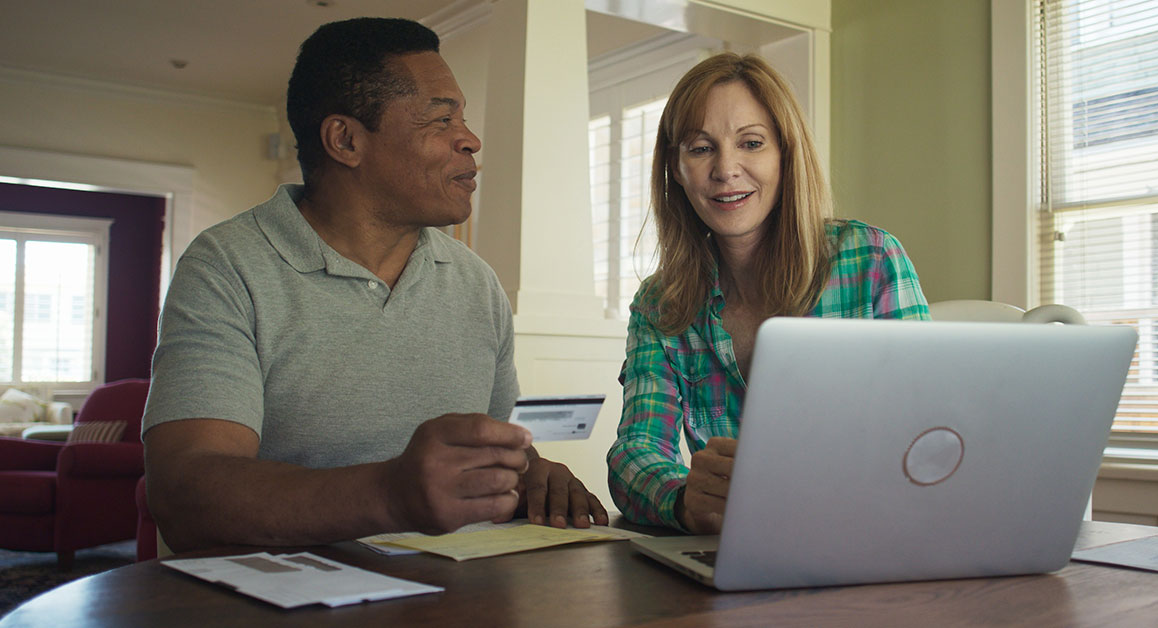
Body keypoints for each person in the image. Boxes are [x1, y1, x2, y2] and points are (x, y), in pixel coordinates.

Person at [143, 18, 606, 554]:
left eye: (464, 117)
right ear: (345, 140)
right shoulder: (226, 266)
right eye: (441, 119)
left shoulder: (475, 282)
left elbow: (485, 463)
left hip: (462, 594)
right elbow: (185, 496)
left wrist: (533, 475)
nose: (471, 140)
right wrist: (391, 493)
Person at [606, 53, 930, 534]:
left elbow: (927, 426)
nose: (726, 169)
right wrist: (683, 500)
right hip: (732, 553)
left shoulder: (871, 259)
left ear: (785, 155)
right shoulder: (661, 304)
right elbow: (636, 450)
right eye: (700, 149)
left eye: (751, 143)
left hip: (873, 536)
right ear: (675, 168)